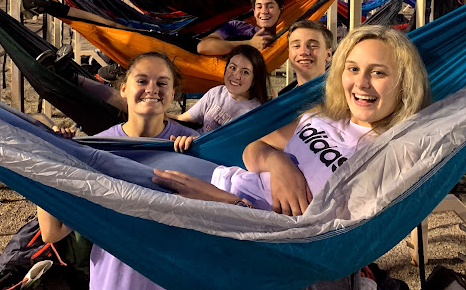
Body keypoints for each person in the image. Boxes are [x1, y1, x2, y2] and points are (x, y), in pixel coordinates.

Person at [153, 25, 431, 217]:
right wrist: (280, 165)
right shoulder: (322, 115)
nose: (361, 83)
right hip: (222, 177)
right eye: (353, 69)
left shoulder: (393, 154)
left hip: (230, 212)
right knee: (127, 158)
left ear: (404, 83)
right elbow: (254, 148)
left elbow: (317, 239)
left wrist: (229, 202)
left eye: (378, 72)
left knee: (130, 199)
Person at [37, 51, 198, 290]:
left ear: (173, 93)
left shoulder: (193, 147)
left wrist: (193, 161)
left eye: (162, 83)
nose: (152, 89)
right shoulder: (97, 152)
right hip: (115, 281)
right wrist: (52, 157)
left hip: (177, 279)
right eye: (142, 80)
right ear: (123, 89)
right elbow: (52, 232)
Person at [171, 45, 271, 152]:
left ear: (254, 80)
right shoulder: (216, 93)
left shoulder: (256, 113)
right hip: (192, 146)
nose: (236, 76)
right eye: (233, 67)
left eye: (245, 72)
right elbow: (182, 119)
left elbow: (238, 150)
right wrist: (162, 116)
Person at [197, 0, 283, 55]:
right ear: (254, 11)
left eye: (270, 6)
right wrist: (249, 44)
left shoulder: (284, 38)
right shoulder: (237, 26)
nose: (264, 11)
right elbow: (203, 47)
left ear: (281, 10)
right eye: (259, 7)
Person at [278, 20, 333, 95]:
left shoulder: (342, 96)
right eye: (296, 46)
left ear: (328, 55)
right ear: (289, 54)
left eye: (313, 46)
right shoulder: (283, 99)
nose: (303, 52)